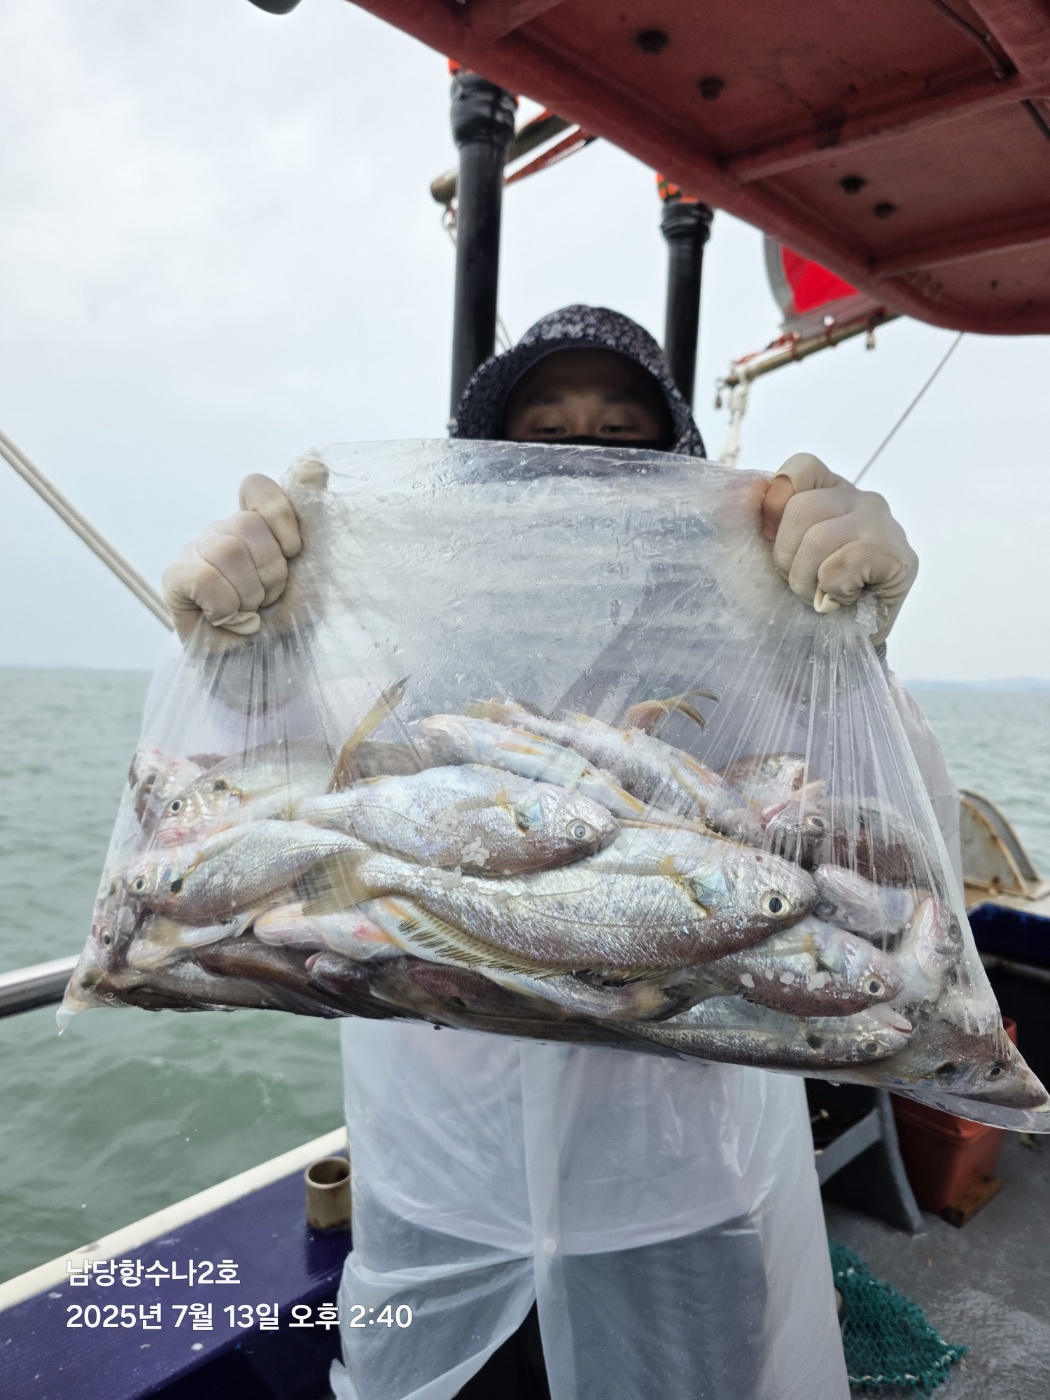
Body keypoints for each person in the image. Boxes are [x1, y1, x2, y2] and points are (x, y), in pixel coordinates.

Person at [164, 306, 951, 1400]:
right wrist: (251, 644)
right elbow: (244, 810)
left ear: (679, 473)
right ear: (481, 477)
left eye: (623, 437)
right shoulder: (387, 651)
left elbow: (907, 848)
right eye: (541, 435)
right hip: (437, 1192)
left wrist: (850, 646)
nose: (582, 462)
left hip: (675, 1196)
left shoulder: (743, 656)